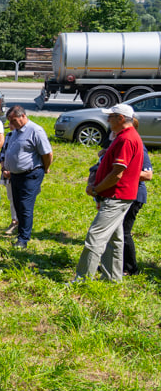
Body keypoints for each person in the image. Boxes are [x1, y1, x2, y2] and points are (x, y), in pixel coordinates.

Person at [73, 104, 144, 283]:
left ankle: (82, 280)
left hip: (116, 196)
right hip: (119, 196)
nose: (107, 119)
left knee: (95, 237)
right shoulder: (123, 136)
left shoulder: (126, 139)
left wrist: (97, 189)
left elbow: (117, 174)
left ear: (121, 118)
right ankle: (112, 278)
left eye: (111, 116)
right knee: (115, 239)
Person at [1, 106, 53, 248]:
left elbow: (47, 153)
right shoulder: (16, 132)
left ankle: (23, 239)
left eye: (14, 120)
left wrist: (46, 168)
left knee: (25, 206)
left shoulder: (35, 131)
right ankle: (21, 230)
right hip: (15, 175)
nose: (12, 123)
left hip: (30, 174)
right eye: (10, 121)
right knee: (18, 205)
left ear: (23, 116)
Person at [123, 118, 152, 275]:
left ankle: (131, 268)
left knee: (124, 232)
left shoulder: (139, 145)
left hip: (134, 196)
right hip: (122, 194)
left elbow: (148, 175)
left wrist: (121, 173)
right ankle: (116, 264)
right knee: (116, 232)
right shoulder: (121, 143)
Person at [0, 129, 19, 235]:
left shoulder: (28, 134)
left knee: (22, 200)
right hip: (7, 172)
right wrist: (4, 169)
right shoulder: (9, 135)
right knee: (12, 198)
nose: (11, 125)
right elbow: (2, 153)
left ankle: (22, 224)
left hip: (22, 173)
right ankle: (14, 221)